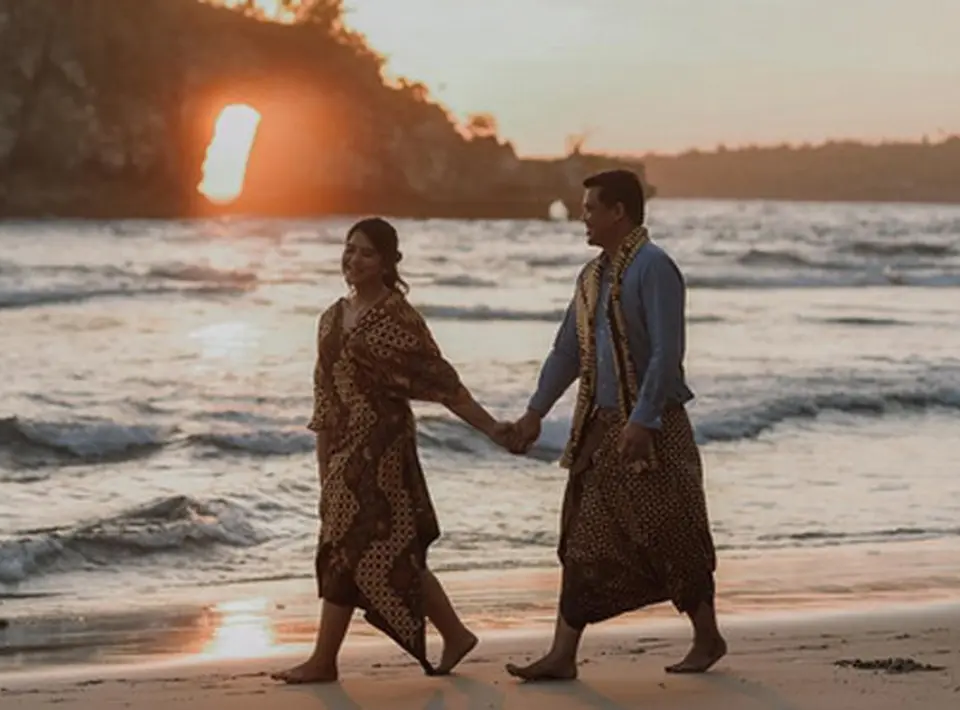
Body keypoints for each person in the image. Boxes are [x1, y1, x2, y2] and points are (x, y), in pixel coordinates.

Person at [501, 170, 726, 681]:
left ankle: (708, 636)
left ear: (618, 211)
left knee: (674, 535)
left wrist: (643, 419)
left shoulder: (655, 268)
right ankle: (562, 655)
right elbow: (566, 352)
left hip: (656, 428)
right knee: (581, 539)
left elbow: (668, 353)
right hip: (599, 431)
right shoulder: (591, 278)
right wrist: (535, 413)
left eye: (589, 208)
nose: (582, 216)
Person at [272, 217, 507, 684]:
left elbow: (444, 384)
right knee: (360, 547)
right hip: (343, 451)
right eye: (349, 249)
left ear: (387, 263)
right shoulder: (331, 317)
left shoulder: (398, 319)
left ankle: (326, 660)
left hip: (384, 452)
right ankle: (453, 635)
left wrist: (494, 429)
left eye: (365, 252)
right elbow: (324, 397)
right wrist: (324, 467)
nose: (352, 259)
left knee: (368, 547)